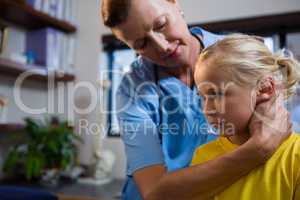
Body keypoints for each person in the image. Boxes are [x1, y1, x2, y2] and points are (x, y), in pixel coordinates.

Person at [100, 0, 292, 199]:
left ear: (175, 4)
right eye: (142, 44)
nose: (162, 46)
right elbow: (154, 192)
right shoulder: (132, 89)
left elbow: (275, 129)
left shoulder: (242, 55)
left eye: (161, 25)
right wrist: (256, 150)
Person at [192, 34, 300, 200]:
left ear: (264, 89)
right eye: (203, 97)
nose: (207, 109)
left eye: (217, 94)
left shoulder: (295, 155)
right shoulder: (203, 157)